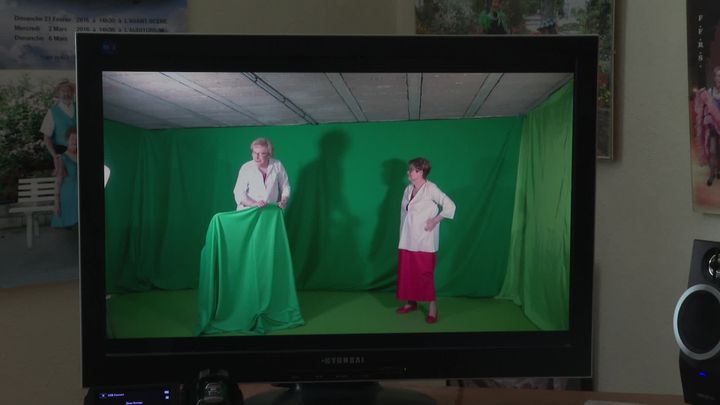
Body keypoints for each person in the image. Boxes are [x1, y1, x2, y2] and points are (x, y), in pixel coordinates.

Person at [396, 157, 455, 324]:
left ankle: (433, 308)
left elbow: (450, 206)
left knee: (424, 274)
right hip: (407, 239)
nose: (408, 172)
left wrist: (435, 220)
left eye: (411, 170)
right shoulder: (408, 189)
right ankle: (411, 302)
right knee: (407, 272)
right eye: (409, 170)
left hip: (424, 240)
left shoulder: (431, 189)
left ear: (420, 172)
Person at [233, 138, 291, 210]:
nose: (257, 157)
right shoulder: (246, 167)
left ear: (269, 155)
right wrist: (253, 204)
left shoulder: (277, 165)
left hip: (269, 210)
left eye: (262, 153)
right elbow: (239, 192)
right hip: (249, 210)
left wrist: (284, 200)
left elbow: (285, 186)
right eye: (255, 152)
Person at [40, 79, 76, 176]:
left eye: (68, 91)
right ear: (59, 94)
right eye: (63, 91)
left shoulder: (80, 108)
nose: (66, 94)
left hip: (80, 155)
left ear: (72, 92)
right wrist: (54, 155)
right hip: (63, 156)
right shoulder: (52, 112)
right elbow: (47, 138)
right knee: (65, 182)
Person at [695, 66, 720, 186]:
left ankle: (718, 170)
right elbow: (703, 109)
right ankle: (712, 174)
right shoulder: (709, 92)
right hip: (713, 128)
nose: (719, 78)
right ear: (714, 78)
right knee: (712, 150)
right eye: (717, 76)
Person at [52, 128, 78, 228]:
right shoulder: (62, 158)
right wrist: (56, 203)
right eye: (72, 139)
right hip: (69, 192)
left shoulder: (82, 156)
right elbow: (58, 181)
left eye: (77, 139)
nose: (75, 141)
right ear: (67, 140)